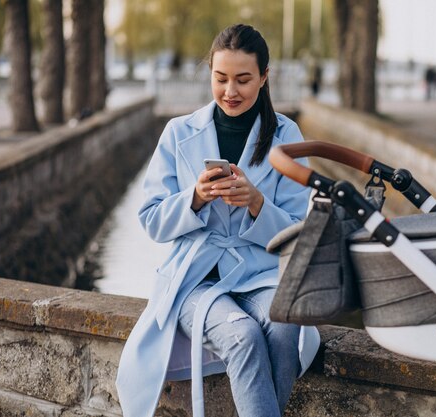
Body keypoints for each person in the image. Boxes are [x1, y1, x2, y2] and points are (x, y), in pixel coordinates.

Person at [116, 24, 320, 417]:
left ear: (264, 77)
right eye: (221, 78)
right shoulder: (178, 133)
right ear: (209, 72)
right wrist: (194, 198)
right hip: (194, 278)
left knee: (284, 325)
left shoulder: (287, 136)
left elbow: (301, 233)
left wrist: (258, 204)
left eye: (243, 79)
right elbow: (152, 220)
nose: (231, 91)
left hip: (261, 274)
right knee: (242, 335)